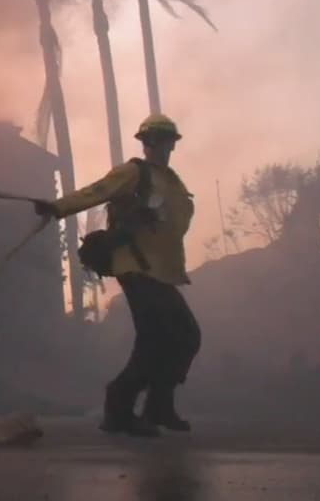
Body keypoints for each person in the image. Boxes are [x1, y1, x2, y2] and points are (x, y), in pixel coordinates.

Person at [34, 114, 200, 437]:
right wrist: (58, 207)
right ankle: (119, 408)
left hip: (163, 272)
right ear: (145, 143)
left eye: (165, 141)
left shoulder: (174, 182)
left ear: (171, 144)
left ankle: (158, 405)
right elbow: (97, 191)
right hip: (136, 267)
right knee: (154, 339)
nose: (159, 147)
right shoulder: (133, 173)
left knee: (186, 336)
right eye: (153, 140)